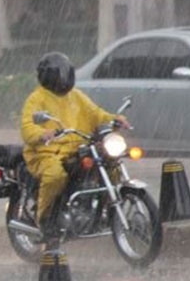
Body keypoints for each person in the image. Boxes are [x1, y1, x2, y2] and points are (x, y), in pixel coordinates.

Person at [20, 52, 129, 238]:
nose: (63, 79)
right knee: (55, 176)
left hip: (77, 149)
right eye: (59, 74)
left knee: (111, 165)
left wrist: (114, 119)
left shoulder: (76, 96)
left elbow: (96, 113)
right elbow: (27, 126)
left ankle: (103, 210)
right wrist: (42, 133)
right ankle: (44, 218)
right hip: (46, 152)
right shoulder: (37, 98)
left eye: (65, 74)